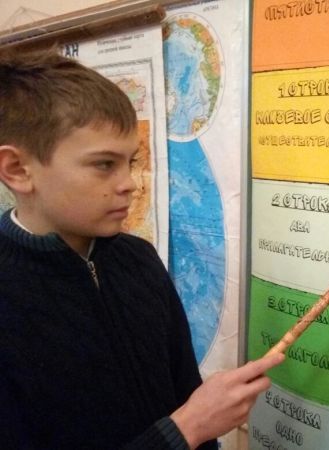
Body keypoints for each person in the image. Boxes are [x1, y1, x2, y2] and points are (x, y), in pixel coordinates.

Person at [0, 48, 284, 449]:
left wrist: (197, 425)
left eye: (130, 162)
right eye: (104, 164)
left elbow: (185, 391)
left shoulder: (139, 260)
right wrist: (185, 429)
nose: (129, 184)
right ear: (17, 170)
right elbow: (190, 422)